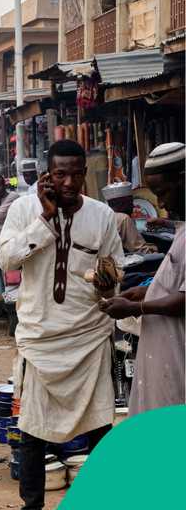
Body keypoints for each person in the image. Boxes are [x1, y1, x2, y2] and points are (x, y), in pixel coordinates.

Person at [0, 140, 123, 510]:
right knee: (33, 431)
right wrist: (45, 221)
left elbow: (114, 269)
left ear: (86, 173)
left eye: (76, 173)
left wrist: (105, 279)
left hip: (89, 337)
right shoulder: (23, 209)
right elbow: (7, 260)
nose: (69, 181)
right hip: (40, 340)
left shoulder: (101, 215)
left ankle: (104, 502)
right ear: (47, 177)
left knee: (101, 426)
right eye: (60, 174)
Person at [99, 142, 184, 415]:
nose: (160, 203)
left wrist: (135, 307)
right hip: (166, 352)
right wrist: (144, 292)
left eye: (163, 192)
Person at [101, 182, 157, 254]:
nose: (133, 206)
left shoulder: (104, 217)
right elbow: (140, 250)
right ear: (122, 204)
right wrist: (155, 249)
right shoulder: (123, 218)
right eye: (130, 202)